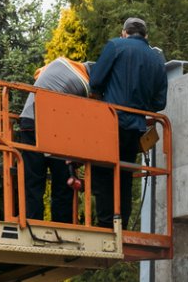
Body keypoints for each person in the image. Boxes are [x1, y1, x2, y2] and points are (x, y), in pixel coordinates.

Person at [88, 17, 168, 228]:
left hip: (111, 122)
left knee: (103, 172)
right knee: (123, 176)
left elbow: (95, 82)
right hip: (136, 128)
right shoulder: (156, 58)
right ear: (146, 36)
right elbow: (159, 102)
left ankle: (105, 225)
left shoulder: (116, 45)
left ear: (124, 32)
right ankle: (120, 225)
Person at [18, 57, 90, 223]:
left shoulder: (56, 65)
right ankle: (62, 227)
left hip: (29, 122)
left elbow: (38, 76)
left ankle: (32, 223)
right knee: (63, 183)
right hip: (52, 129)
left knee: (33, 181)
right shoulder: (83, 82)